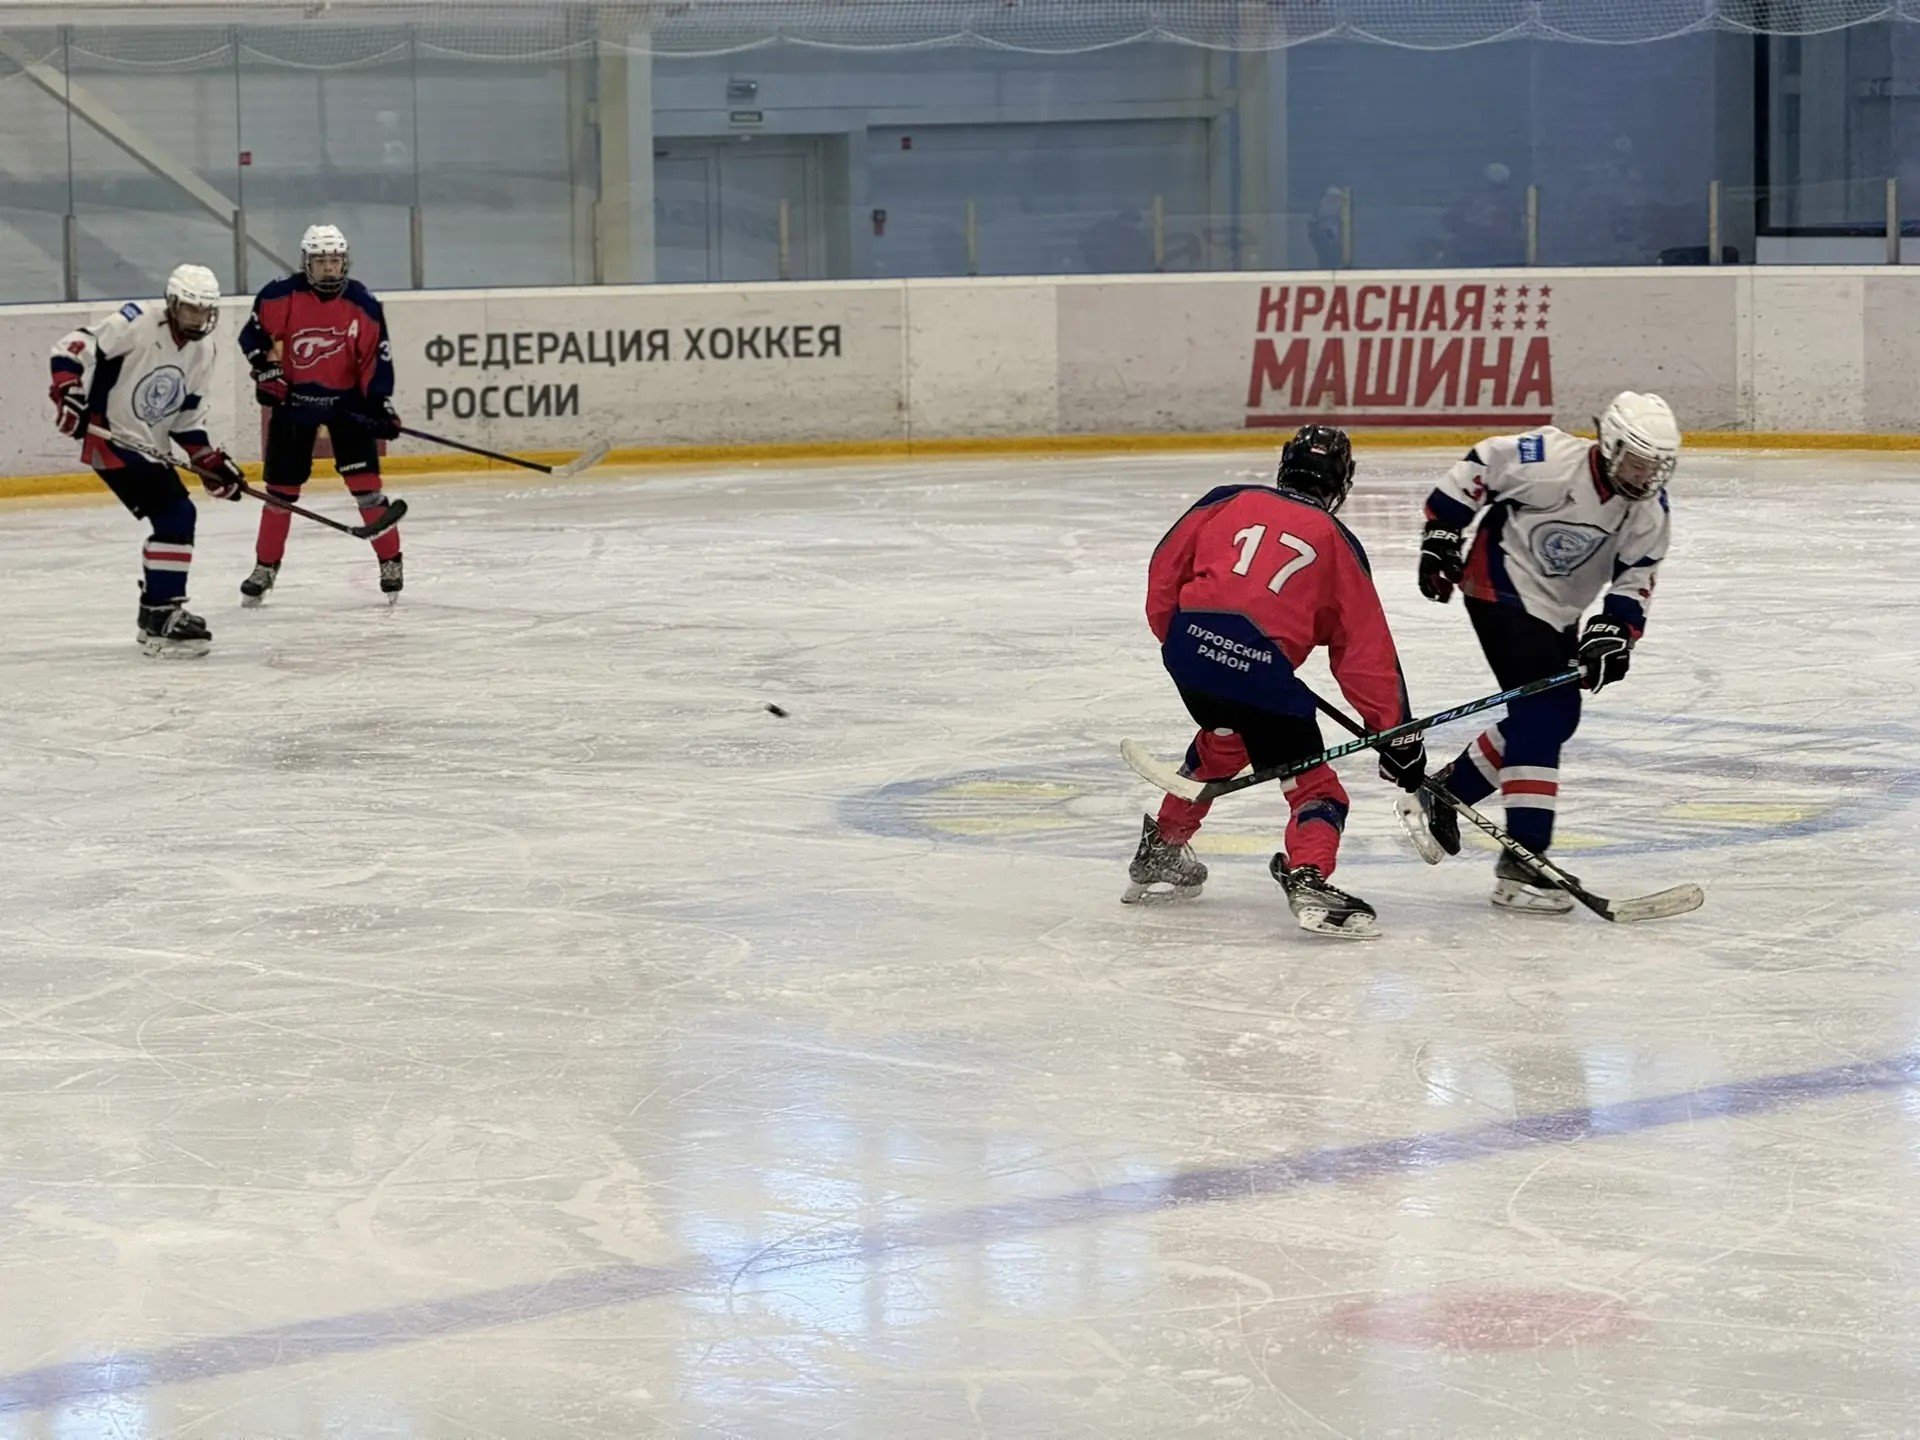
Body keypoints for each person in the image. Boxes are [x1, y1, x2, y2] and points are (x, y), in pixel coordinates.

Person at [1126, 426, 1427, 939]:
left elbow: (1165, 569)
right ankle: (1308, 875)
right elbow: (1364, 652)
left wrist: (1184, 641)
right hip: (1258, 670)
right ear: (1341, 483)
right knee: (1317, 789)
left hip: (1188, 648)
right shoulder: (1336, 540)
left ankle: (1162, 848)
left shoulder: (1225, 500)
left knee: (1226, 741)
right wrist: (1394, 733)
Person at [1406, 391, 1679, 912]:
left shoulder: (1648, 512)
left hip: (1558, 611)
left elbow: (1637, 576)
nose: (1645, 476)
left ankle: (1447, 792)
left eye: (1655, 467)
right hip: (1501, 583)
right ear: (1611, 445)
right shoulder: (1551, 460)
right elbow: (1484, 462)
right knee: (1547, 714)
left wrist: (1614, 630)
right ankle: (1524, 857)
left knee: (1551, 717)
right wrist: (1442, 532)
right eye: (1637, 461)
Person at [48, 263, 244, 658]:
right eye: (191, 309)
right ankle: (160, 612)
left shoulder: (203, 350)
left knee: (176, 517)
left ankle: (155, 612)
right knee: (176, 514)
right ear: (172, 303)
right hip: (112, 440)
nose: (199, 318)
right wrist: (69, 391)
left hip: (149, 447)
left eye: (205, 310)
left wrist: (208, 461)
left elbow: (186, 419)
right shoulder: (137, 320)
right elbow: (72, 346)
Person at [237, 222, 404, 605]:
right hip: (295, 404)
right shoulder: (281, 295)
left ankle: (390, 561)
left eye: (334, 260)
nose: (329, 268)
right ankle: (265, 567)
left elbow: (374, 359)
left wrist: (379, 403)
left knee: (367, 489)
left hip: (347, 405)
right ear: (306, 263)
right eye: (320, 261)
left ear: (345, 261)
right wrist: (267, 369)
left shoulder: (363, 302)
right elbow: (253, 337)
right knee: (279, 495)